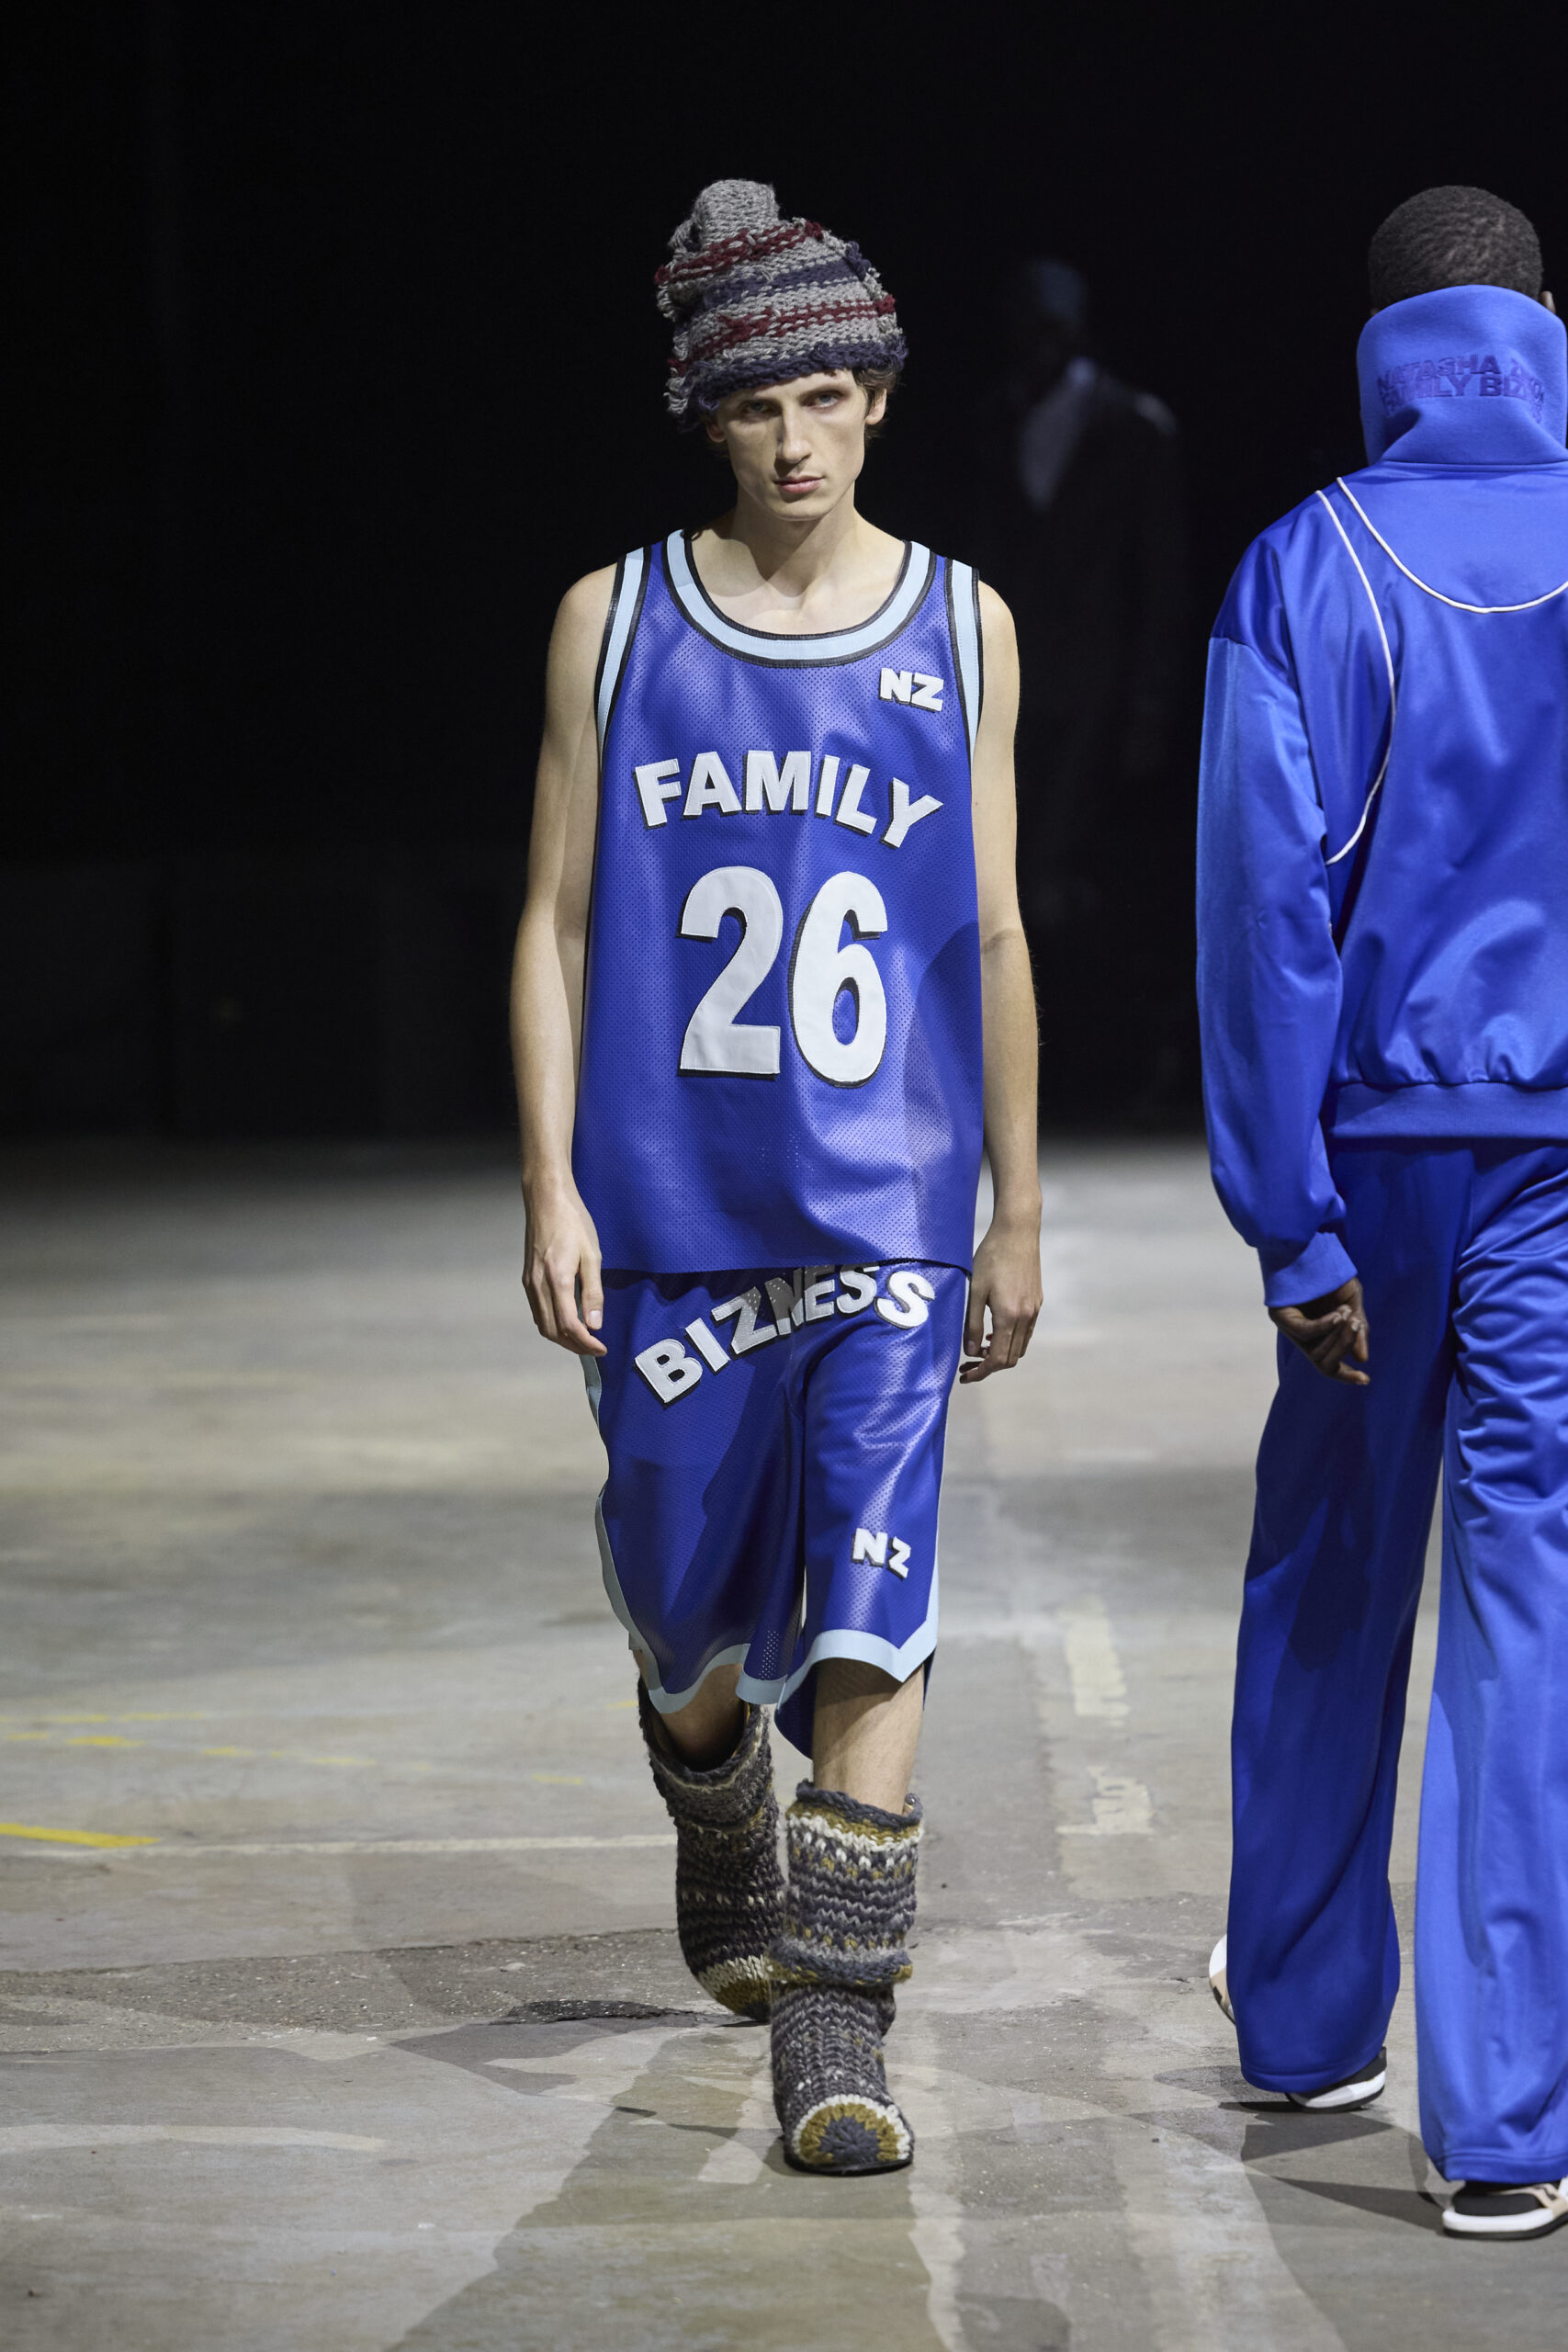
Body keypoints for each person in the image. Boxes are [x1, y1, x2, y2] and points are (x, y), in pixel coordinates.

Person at [510, 180, 1042, 2176]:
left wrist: (1014, 1209)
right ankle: (703, 1768)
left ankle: (837, 2022)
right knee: (681, 1608)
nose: (797, 439)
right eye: (758, 406)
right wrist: (551, 1182)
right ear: (706, 415)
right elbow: (556, 922)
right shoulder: (615, 617)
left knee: (876, 1606)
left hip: (887, 1211)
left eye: (827, 396)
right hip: (670, 1215)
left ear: (879, 393)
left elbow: (990, 931)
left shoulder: (963, 623)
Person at [1197, 185, 1568, 2240]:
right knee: (1531, 1606)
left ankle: (1303, 2021)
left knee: (1333, 1571)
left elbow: (1262, 914)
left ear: (1380, 347)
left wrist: (1290, 1221)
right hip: (1559, 1163)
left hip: (1366, 1152)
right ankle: (1502, 2123)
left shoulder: (1305, 563)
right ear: (1541, 324)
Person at [966, 260, 1189, 1119]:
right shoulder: (994, 418)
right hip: (1011, 681)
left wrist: (1148, 704)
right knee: (1012, 873)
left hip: (1101, 685)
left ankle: (1096, 1066)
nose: (1035, 344)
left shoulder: (1132, 425)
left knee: (1078, 874)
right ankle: (1030, 1071)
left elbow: (1159, 574)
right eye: (1024, 326)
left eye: (1049, 327)